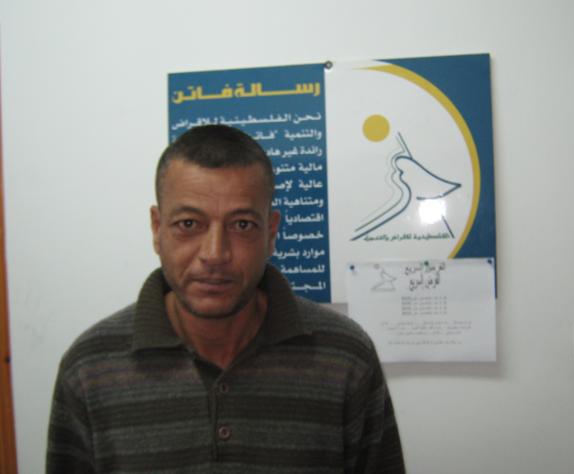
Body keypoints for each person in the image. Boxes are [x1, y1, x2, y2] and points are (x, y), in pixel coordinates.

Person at [46, 125, 405, 473]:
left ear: (271, 233)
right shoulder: (89, 368)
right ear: (157, 229)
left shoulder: (346, 358)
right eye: (189, 224)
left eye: (242, 225)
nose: (215, 254)